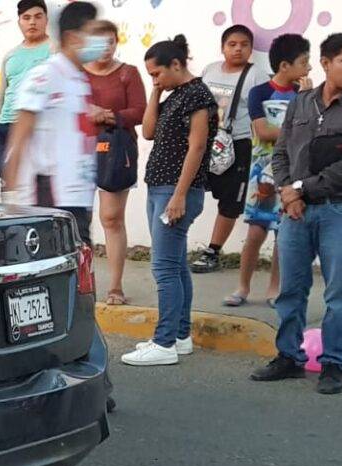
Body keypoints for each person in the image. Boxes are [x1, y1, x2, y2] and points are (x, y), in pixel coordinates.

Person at [251, 33, 342, 395]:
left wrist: (302, 189)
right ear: (326, 62)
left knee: (340, 294)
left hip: (341, 210)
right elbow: (280, 153)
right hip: (294, 211)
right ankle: (288, 357)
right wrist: (287, 193)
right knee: (291, 289)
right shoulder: (302, 103)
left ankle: (334, 363)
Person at [121, 36, 218, 367]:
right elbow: (148, 131)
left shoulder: (197, 97)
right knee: (175, 265)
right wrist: (156, 91)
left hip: (175, 192)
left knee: (163, 267)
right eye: (151, 75)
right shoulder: (175, 96)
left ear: (176, 65)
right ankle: (180, 336)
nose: (155, 79)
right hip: (160, 188)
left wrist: (177, 196)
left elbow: (198, 147)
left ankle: (163, 344)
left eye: (157, 74)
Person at [2, 2, 101, 244]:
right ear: (72, 37)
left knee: (80, 268)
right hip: (50, 197)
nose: (99, 40)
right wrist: (12, 196)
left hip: (79, 196)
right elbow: (20, 133)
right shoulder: (45, 75)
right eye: (93, 33)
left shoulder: (80, 79)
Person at [227, 34, 312, 307]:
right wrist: (295, 131)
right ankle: (242, 286)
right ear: (285, 65)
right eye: (304, 62)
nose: (309, 68)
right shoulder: (260, 92)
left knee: (282, 234)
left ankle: (275, 289)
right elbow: (263, 131)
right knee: (255, 231)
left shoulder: (306, 95)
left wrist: (306, 98)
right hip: (262, 173)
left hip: (293, 174)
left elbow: (311, 129)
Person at [192, 26, 271, 273]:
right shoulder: (210, 70)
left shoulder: (256, 75)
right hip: (203, 143)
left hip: (239, 144)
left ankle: (212, 251)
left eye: (244, 44)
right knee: (189, 189)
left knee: (230, 200)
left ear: (250, 48)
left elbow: (266, 111)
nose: (238, 49)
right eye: (232, 44)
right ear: (223, 47)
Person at [84, 19, 146, 306]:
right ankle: (79, 285)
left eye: (110, 41)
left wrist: (108, 116)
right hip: (78, 150)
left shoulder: (128, 73)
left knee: (111, 218)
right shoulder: (75, 74)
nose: (105, 48)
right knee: (75, 221)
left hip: (115, 151)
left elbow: (140, 112)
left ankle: (116, 286)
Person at [0, 0, 52, 179]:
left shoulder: (55, 50)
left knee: (33, 180)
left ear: (46, 20)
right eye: (27, 18)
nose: (32, 22)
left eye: (38, 17)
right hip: (6, 126)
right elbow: (0, 96)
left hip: (38, 126)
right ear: (19, 22)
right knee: (7, 176)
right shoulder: (10, 55)